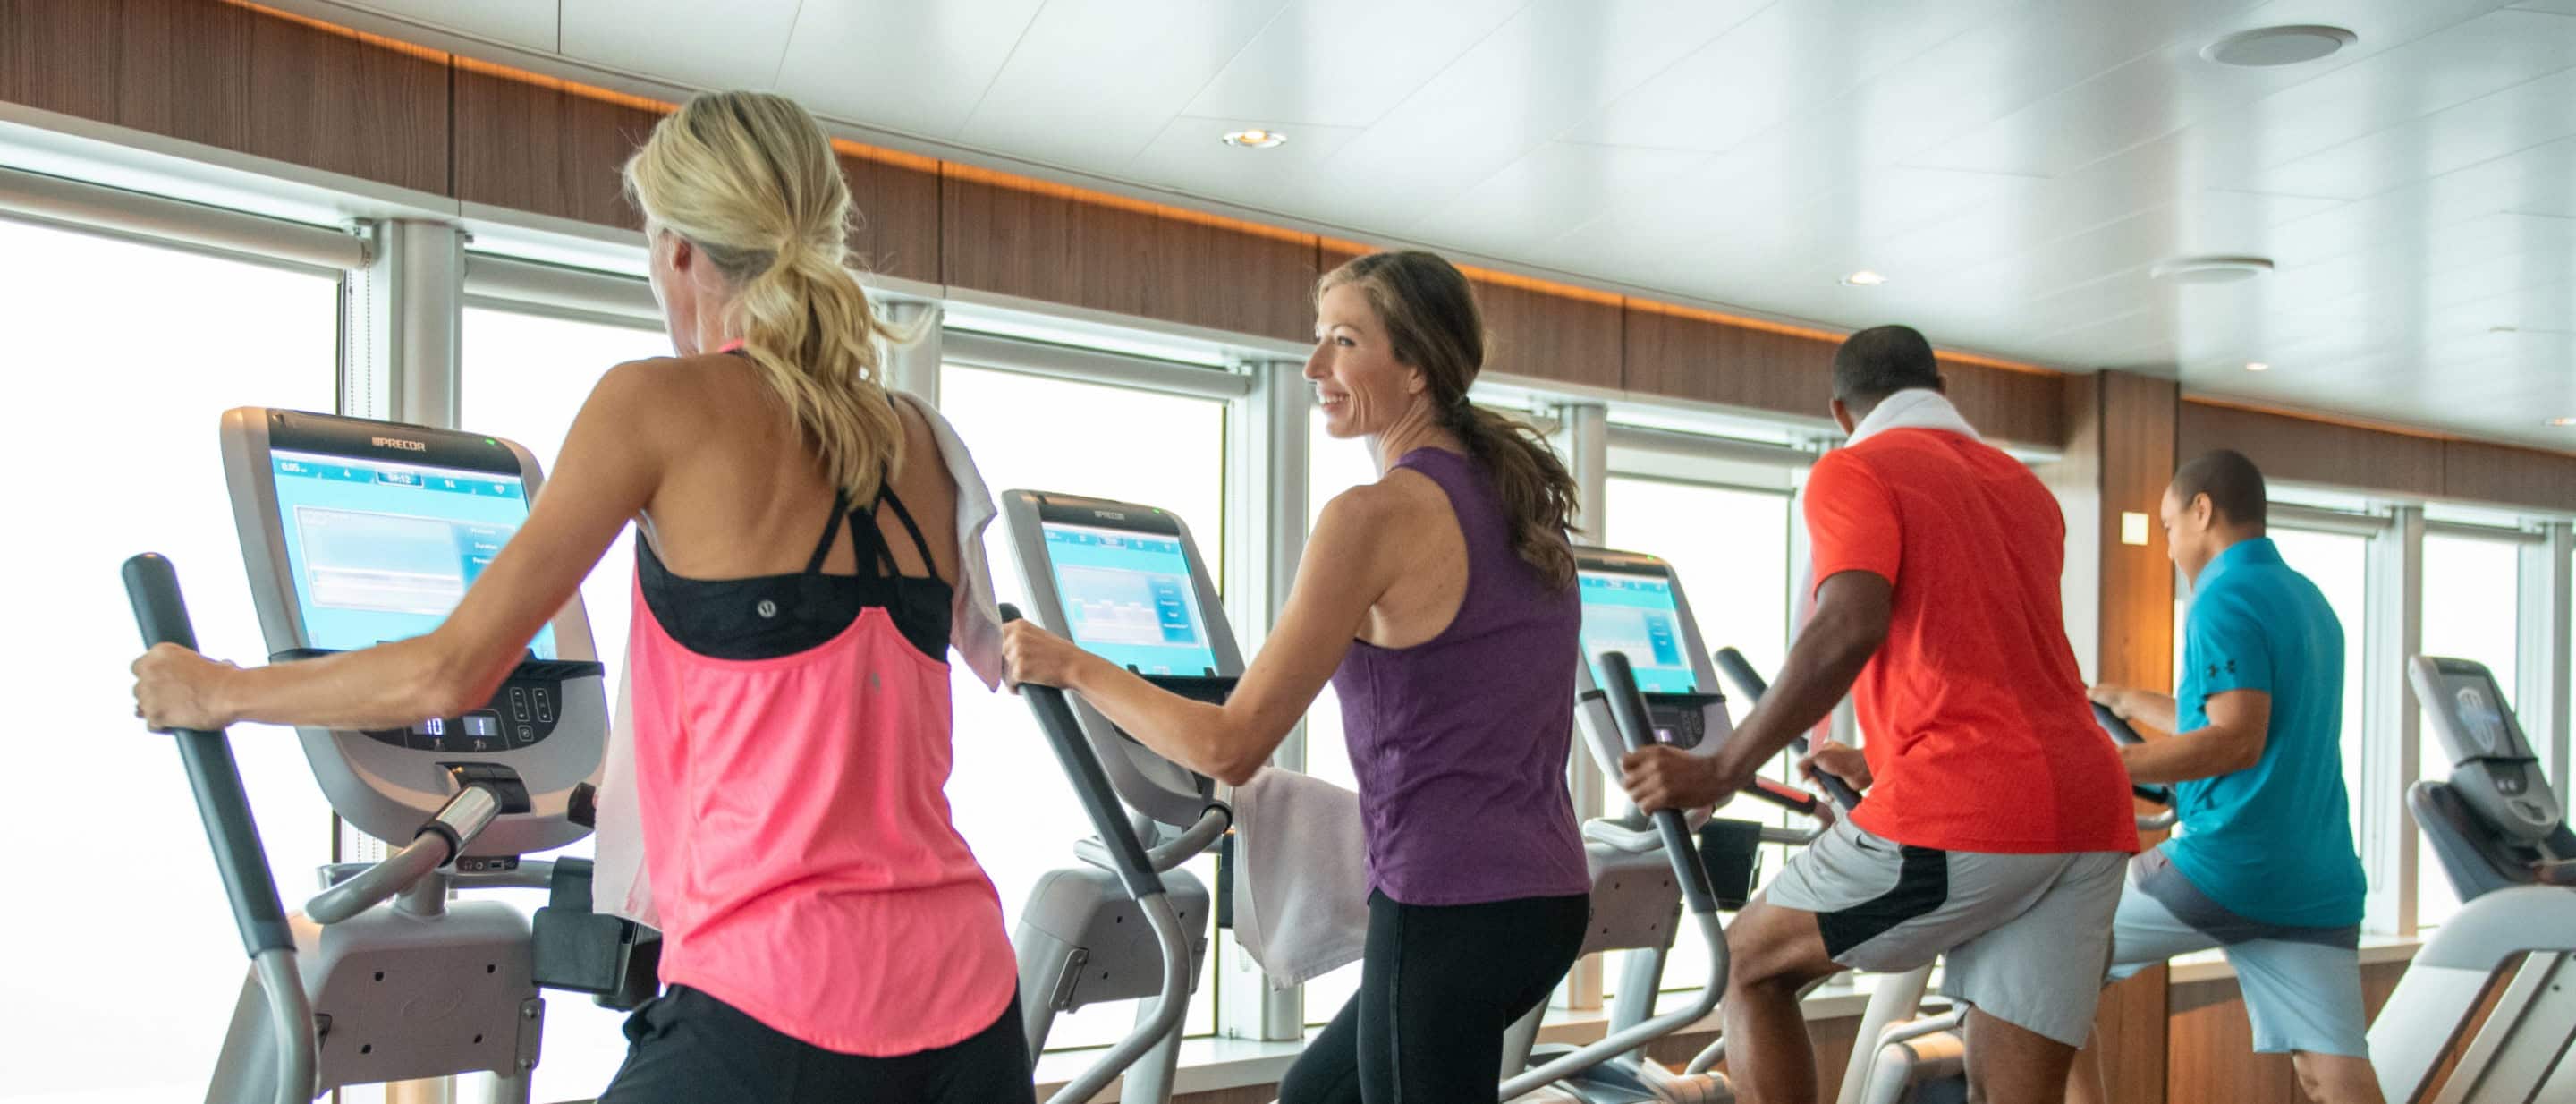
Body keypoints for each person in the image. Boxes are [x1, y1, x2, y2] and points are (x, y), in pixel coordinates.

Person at [133, 90, 1033, 1104]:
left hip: (776, 1001)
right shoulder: (921, 437)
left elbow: (449, 668)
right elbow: (854, 695)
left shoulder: (654, 402)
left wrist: (214, 691)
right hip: (969, 1003)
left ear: (681, 251)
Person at [1004, 250, 1591, 1103]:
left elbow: (1230, 744)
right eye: (1318, 340)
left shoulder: (1373, 518)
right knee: (1313, 1095)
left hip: (1446, 906)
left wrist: (1071, 663)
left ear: (1417, 366)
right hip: (1544, 901)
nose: (1316, 366)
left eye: (1344, 342)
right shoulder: (1517, 507)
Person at [1621, 324, 2140, 1104]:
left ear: (1841, 412)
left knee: (1749, 966)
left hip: (1970, 807)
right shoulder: (2024, 487)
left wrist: (1723, 769)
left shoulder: (1855, 468)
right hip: (2090, 810)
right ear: (1940, 392)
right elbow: (1990, 667)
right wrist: (1879, 764)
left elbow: (1849, 622)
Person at [2073, 450, 2378, 1104]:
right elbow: (2250, 717)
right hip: (2313, 882)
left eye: (2166, 526)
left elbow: (2237, 739)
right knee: (2333, 1076)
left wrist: (2104, 765)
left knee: (2042, 964)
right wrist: (2129, 701)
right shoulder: (2306, 598)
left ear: (2202, 511)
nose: (2167, 546)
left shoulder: (2222, 596)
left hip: (2228, 867)